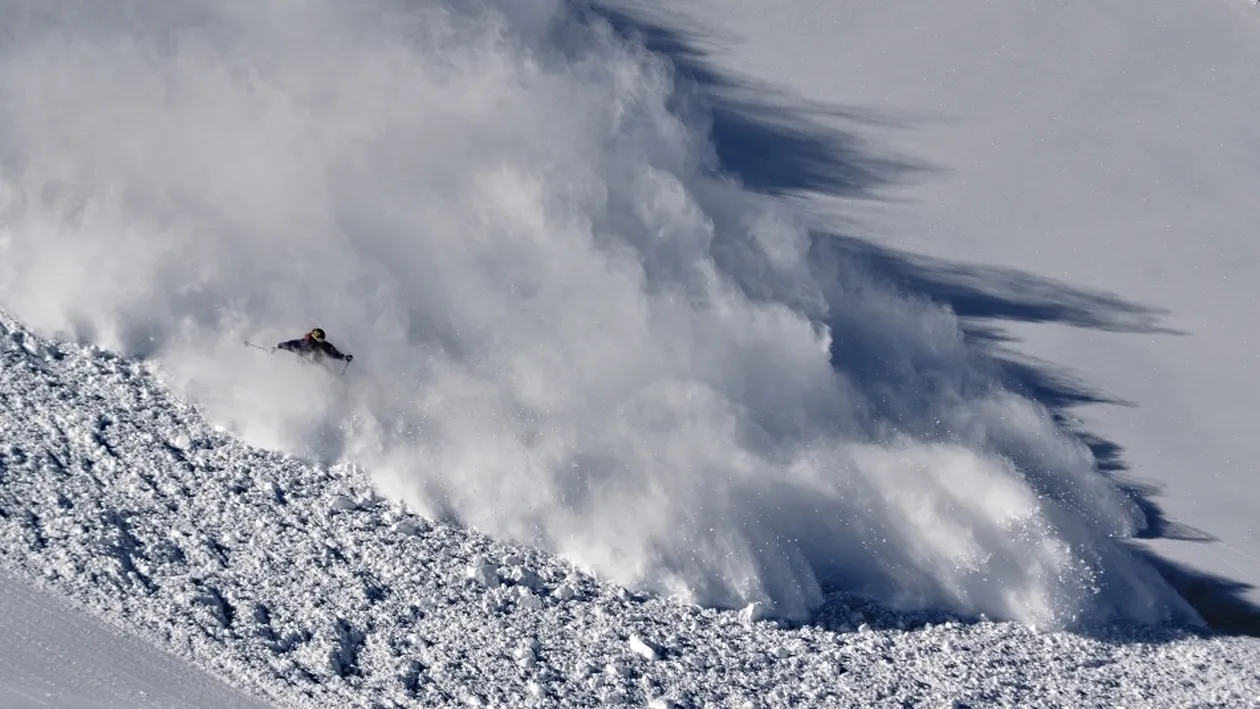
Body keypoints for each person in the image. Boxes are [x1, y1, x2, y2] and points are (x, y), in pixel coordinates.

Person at [276, 327, 353, 363]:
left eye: (323, 339)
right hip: (303, 364)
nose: (322, 341)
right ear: (314, 338)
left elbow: (332, 351)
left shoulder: (322, 344)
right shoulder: (304, 343)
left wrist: (344, 357)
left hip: (317, 363)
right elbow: (291, 344)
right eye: (320, 340)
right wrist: (279, 346)